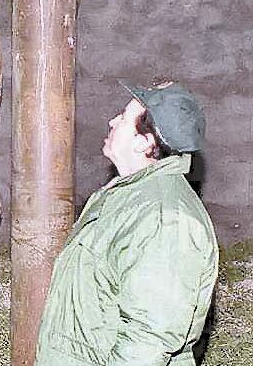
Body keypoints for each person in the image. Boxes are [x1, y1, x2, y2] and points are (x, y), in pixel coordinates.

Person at [35, 81, 218, 366]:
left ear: (144, 143)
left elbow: (149, 338)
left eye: (123, 117)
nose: (112, 121)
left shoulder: (165, 219)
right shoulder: (127, 195)